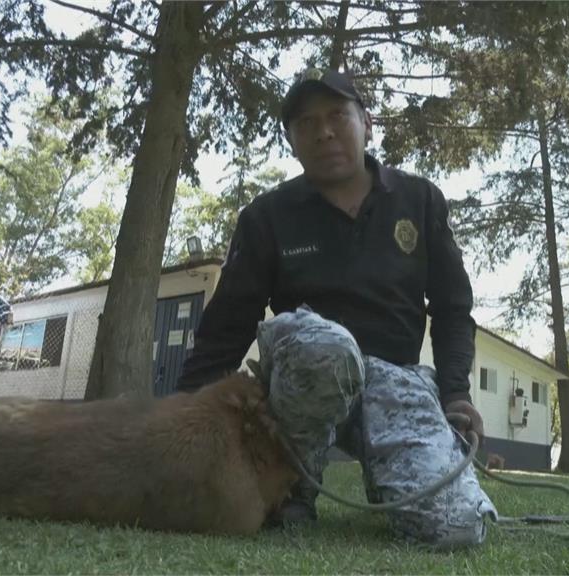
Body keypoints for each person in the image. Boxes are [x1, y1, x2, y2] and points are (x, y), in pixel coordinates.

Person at [177, 68, 495, 548]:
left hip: (395, 379)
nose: (322, 131)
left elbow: (453, 308)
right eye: (305, 123)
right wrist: (184, 410)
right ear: (291, 141)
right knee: (329, 348)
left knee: (456, 527)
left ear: (366, 122)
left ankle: (393, 474)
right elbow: (227, 324)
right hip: (303, 380)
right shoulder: (266, 217)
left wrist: (454, 393)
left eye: (336, 116)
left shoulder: (420, 200)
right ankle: (291, 489)